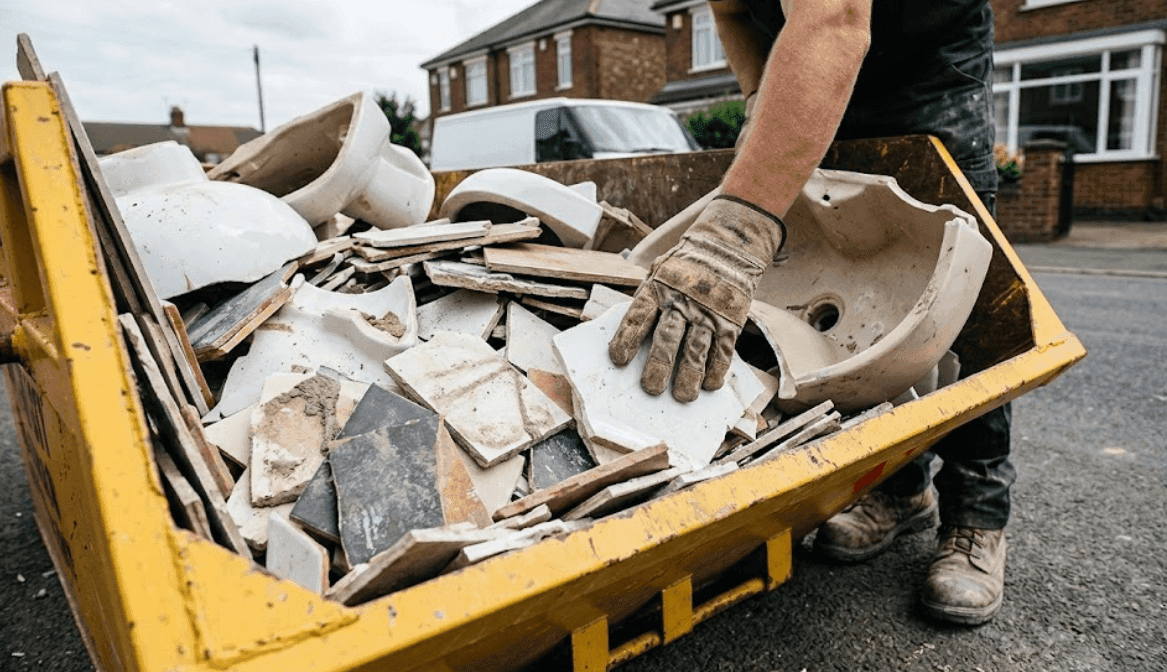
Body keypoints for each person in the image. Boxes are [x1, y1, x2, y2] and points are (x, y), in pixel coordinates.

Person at [607, 0, 1012, 625]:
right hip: (810, 60)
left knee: (963, 299)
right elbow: (734, 8)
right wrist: (758, 102)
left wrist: (737, 231)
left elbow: (835, 18)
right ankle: (901, 491)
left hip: (926, 70)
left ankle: (976, 519)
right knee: (853, 301)